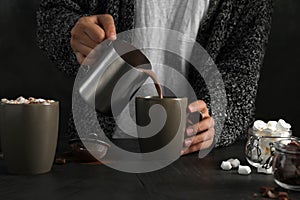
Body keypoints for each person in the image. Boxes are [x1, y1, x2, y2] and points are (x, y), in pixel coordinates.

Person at [36, 0, 274, 155]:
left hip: (193, 160)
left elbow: (240, 77)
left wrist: (216, 118)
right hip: (98, 150)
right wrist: (74, 32)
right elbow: (53, 13)